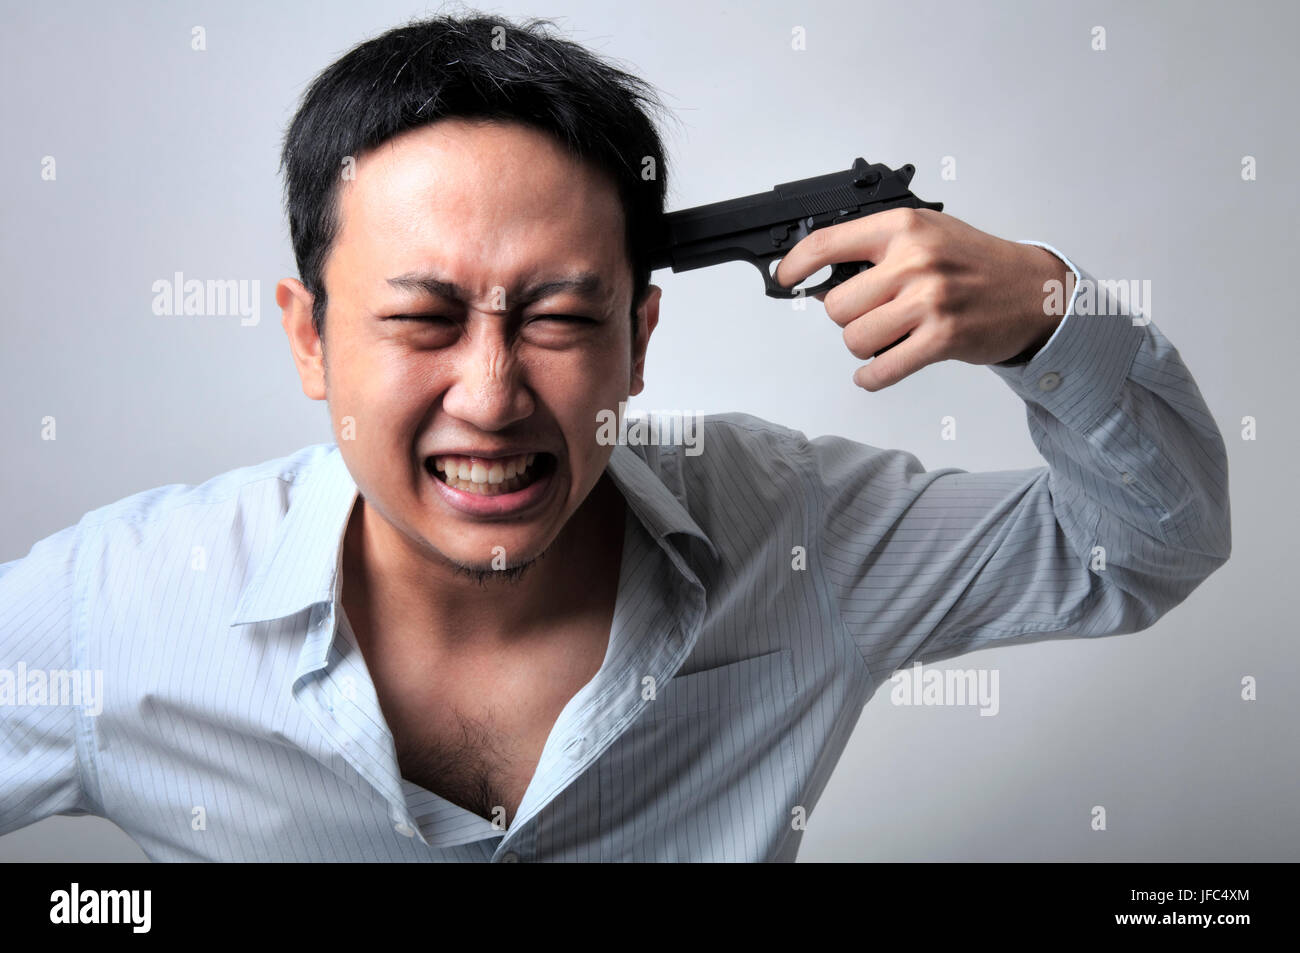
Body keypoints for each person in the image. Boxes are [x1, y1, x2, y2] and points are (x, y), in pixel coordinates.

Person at [0, 13, 1230, 862]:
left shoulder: (802, 538)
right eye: (423, 318)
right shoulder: (122, 611)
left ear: (640, 337)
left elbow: (1143, 545)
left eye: (557, 317)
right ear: (309, 338)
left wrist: (1054, 315)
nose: (489, 395)